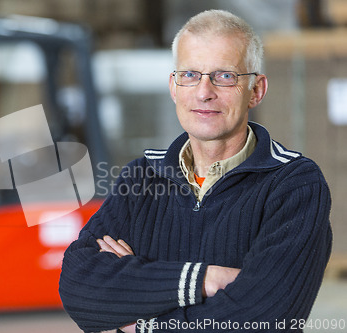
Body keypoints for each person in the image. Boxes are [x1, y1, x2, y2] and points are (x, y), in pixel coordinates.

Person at [59, 9, 332, 333]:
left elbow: (266, 317)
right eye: (190, 75)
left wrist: (145, 324)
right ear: (174, 86)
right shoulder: (141, 178)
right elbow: (80, 290)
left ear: (256, 90)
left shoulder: (294, 185)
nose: (204, 91)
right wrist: (205, 280)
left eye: (225, 76)